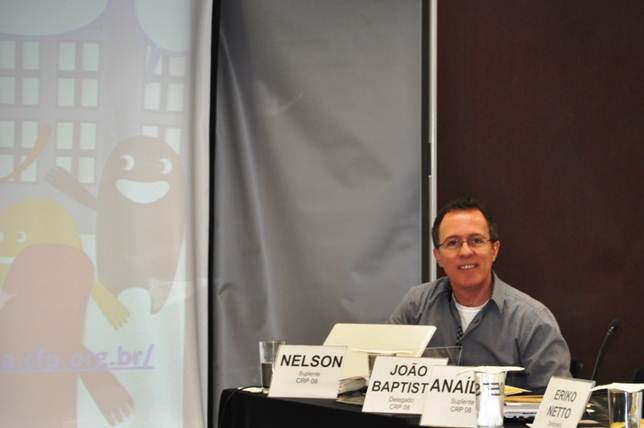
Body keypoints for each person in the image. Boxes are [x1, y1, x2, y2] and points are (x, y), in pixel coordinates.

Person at [388, 196, 571, 390]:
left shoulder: (532, 321)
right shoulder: (416, 306)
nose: (465, 252)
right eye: (452, 243)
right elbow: (383, 375)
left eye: (476, 241)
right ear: (438, 257)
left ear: (494, 250)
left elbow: (556, 400)